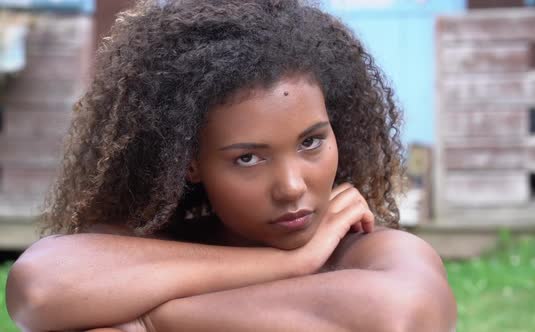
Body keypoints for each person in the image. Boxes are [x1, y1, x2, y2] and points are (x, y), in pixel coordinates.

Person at [5, 0, 456, 331]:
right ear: (190, 164)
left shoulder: (374, 253)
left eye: (311, 142)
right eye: (248, 157)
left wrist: (150, 321)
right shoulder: (151, 247)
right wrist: (293, 262)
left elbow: (405, 316)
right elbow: (40, 289)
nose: (292, 186)